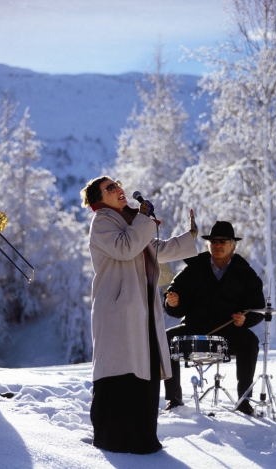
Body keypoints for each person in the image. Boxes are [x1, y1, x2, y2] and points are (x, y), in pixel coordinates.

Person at [81, 176, 198, 454]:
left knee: (143, 370)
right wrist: (143, 219)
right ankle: (114, 440)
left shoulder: (129, 221)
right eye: (111, 188)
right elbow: (125, 248)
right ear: (99, 199)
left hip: (140, 307)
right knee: (120, 371)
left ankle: (142, 438)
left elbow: (156, 249)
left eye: (118, 184)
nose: (119, 189)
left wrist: (189, 237)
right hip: (118, 308)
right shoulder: (102, 222)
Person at [163, 221, 265, 415]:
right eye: (214, 241)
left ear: (233, 245)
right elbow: (173, 300)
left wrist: (245, 320)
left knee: (250, 341)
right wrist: (173, 303)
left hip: (229, 332)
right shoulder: (192, 268)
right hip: (194, 326)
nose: (217, 245)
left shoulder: (246, 273)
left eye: (223, 241)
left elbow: (256, 308)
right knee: (167, 338)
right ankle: (174, 399)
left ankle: (244, 401)